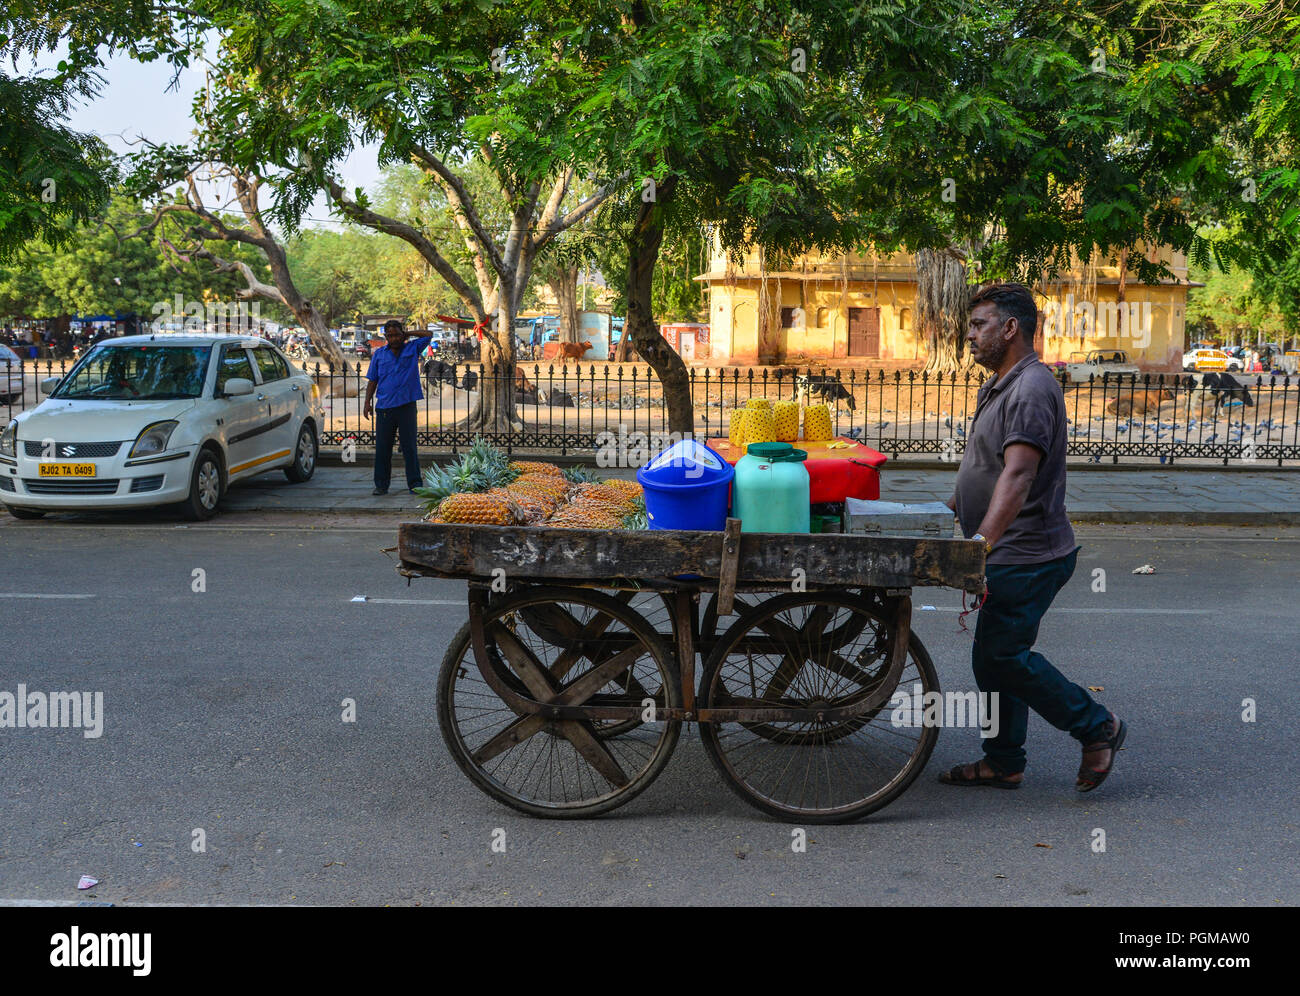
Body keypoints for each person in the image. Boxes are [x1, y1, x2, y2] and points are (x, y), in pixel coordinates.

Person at [940, 282, 1125, 793]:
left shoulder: (1031, 388)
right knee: (993, 659)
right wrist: (944, 510)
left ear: (1010, 328)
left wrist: (982, 544)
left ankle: (1096, 726)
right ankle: (1004, 760)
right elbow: (987, 466)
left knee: (1002, 656)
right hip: (1007, 550)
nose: (970, 336)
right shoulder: (1001, 383)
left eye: (979, 325)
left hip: (1026, 553)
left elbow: (1019, 475)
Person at [363, 319, 431, 495]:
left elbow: (428, 335)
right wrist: (367, 402)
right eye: (390, 335)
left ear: (402, 334)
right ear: (385, 336)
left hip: (407, 406)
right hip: (385, 407)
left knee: (409, 447)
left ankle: (415, 484)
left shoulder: (412, 348)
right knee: (383, 448)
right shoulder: (379, 354)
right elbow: (372, 380)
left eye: (396, 335)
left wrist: (407, 334)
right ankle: (381, 485)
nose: (393, 339)